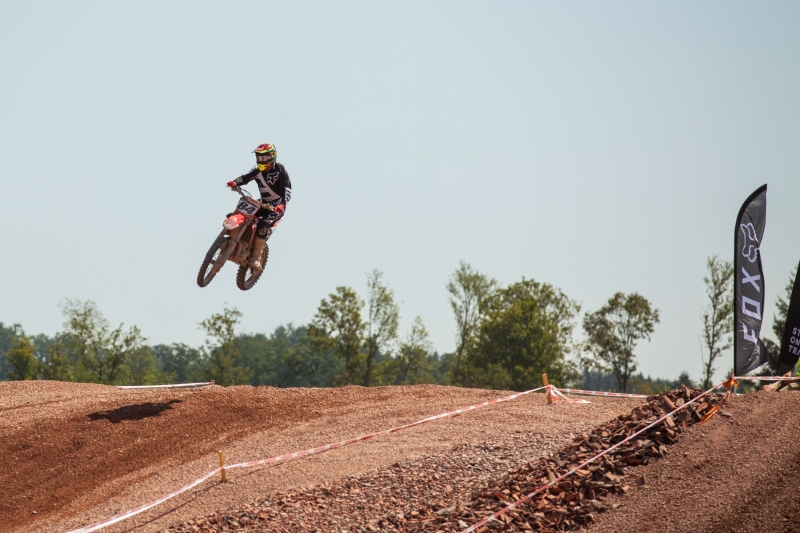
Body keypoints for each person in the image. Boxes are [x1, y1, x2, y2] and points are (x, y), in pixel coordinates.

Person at [226, 143, 292, 272]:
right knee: (242, 212)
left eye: (264, 158)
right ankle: (230, 239)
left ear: (272, 157)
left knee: (263, 225)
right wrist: (235, 182)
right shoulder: (257, 169)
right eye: (259, 157)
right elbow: (245, 177)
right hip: (262, 203)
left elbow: (287, 189)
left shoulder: (280, 169)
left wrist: (282, 204)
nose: (261, 161)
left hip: (276, 206)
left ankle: (255, 258)